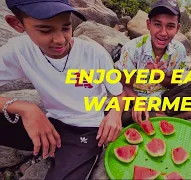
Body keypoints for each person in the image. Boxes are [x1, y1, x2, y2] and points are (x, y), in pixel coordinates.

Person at [0, 0, 125, 179]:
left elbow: (119, 94)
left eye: (66, 27)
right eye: (45, 30)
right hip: (48, 123)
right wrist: (23, 107)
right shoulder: (18, 50)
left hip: (86, 129)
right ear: (17, 24)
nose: (60, 40)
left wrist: (115, 113)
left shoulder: (94, 54)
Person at [115, 0, 191, 125]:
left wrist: (160, 77)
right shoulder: (131, 49)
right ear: (149, 24)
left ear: (177, 28)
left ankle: (156, 115)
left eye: (170, 26)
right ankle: (178, 117)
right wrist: (139, 104)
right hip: (136, 101)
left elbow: (174, 84)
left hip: (163, 99)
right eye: (158, 24)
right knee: (123, 116)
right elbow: (125, 86)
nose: (163, 33)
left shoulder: (179, 50)